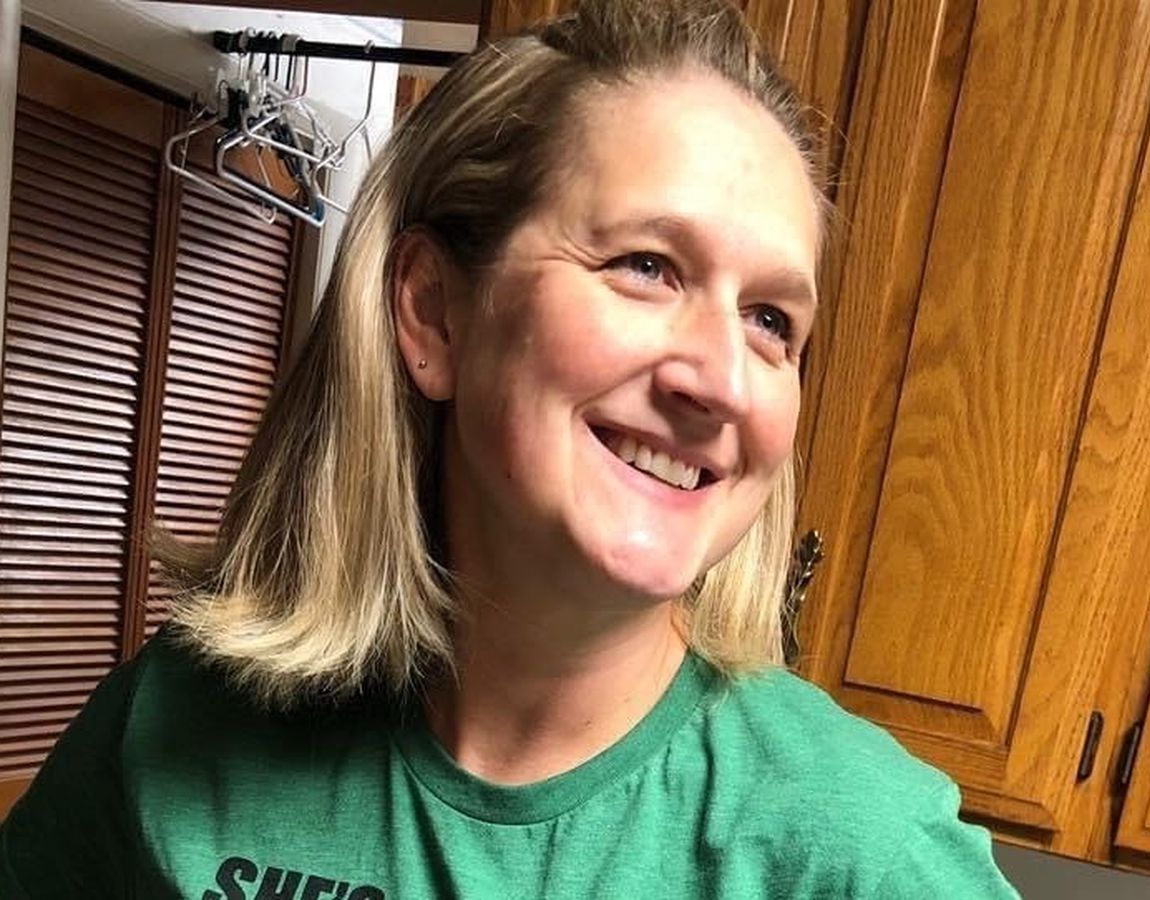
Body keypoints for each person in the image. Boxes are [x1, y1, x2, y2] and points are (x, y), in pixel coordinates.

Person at [0, 1, 1020, 897]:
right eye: (647, 265)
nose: (721, 380)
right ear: (435, 312)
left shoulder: (861, 849)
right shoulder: (175, 724)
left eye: (770, 322)